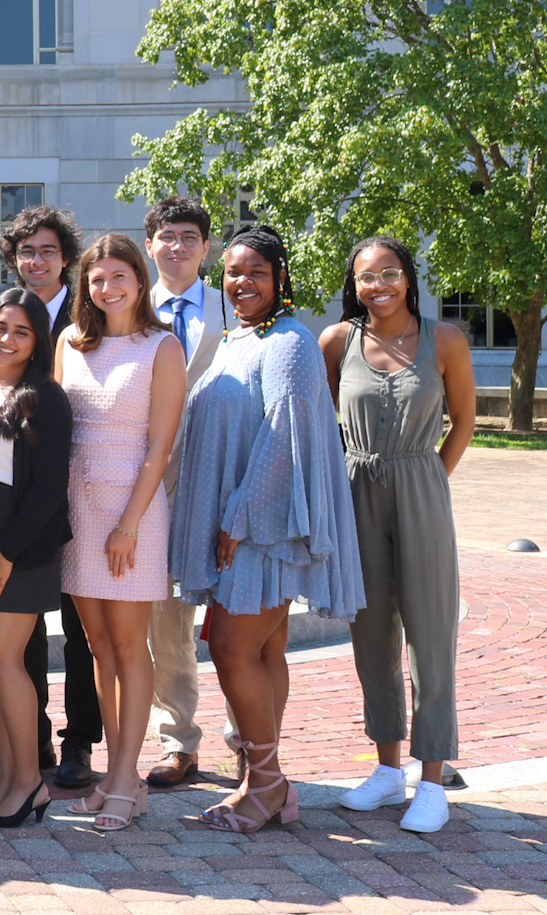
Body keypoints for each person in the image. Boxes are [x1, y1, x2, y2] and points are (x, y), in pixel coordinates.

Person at [172, 225, 366, 833]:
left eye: (255, 270)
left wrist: (236, 518)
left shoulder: (288, 343)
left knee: (230, 649)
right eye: (232, 272)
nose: (241, 281)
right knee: (264, 650)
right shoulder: (238, 338)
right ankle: (264, 783)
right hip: (243, 525)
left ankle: (270, 782)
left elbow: (283, 439)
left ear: (281, 276)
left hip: (261, 527)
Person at [323, 237, 472, 833]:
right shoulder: (337, 342)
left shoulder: (447, 340)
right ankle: (387, 771)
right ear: (353, 285)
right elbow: (317, 420)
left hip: (421, 488)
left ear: (408, 277)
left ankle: (431, 779)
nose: (378, 284)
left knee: (430, 634)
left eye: (390, 273)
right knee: (371, 632)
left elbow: (462, 421)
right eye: (366, 277)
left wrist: (431, 475)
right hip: (357, 490)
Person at [56, 234, 186, 832]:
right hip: (78, 508)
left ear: (139, 279)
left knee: (132, 647)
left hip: (132, 510)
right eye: (97, 278)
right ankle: (117, 775)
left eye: (118, 276)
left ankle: (126, 779)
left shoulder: (162, 347)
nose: (107, 287)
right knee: (97, 648)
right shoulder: (70, 342)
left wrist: (129, 524)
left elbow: (160, 447)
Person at [0, 289, 72, 828]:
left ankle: (29, 784)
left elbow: (49, 489)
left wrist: (7, 552)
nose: (7, 338)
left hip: (18, 544)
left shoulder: (46, 396)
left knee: (6, 663)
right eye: (0, 327)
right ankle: (10, 781)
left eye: (22, 331)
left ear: (38, 340)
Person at [0, 205, 92, 789]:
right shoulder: (7, 317)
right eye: (27, 251)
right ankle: (33, 746)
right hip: (24, 501)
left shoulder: (89, 315)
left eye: (48, 251)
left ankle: (80, 741)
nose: (36, 261)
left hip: (82, 493)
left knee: (78, 629)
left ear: (66, 257)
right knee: (21, 633)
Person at [140, 196, 229, 789]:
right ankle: (180, 740)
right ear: (149, 245)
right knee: (165, 621)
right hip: (147, 486)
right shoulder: (121, 304)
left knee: (240, 616)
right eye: (166, 236)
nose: (177, 246)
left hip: (222, 477)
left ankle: (251, 738)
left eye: (189, 236)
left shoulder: (236, 305)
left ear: (206, 247)